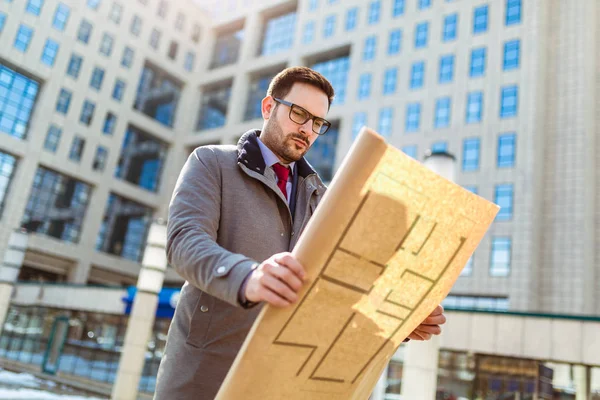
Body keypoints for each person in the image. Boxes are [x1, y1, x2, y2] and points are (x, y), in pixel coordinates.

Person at [154, 67, 446, 400]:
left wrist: (397, 320)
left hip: (279, 384)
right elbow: (184, 242)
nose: (307, 129)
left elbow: (334, 294)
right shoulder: (211, 164)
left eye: (317, 123)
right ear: (268, 107)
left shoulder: (324, 199)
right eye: (299, 114)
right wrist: (248, 277)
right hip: (204, 377)